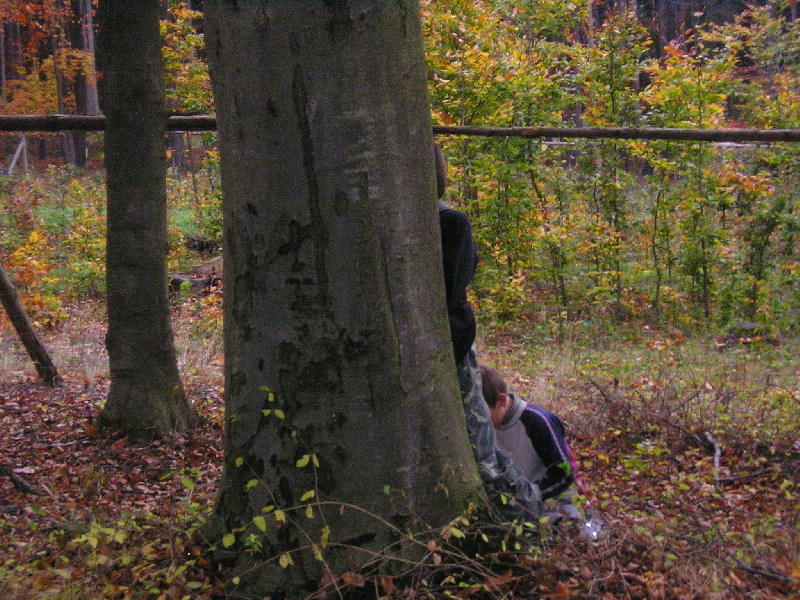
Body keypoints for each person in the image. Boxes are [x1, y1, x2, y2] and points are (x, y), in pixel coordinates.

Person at [434, 143, 543, 521]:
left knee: (481, 450)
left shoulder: (450, 224)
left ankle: (527, 517)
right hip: (443, 350)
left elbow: (451, 294)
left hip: (449, 349)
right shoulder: (446, 223)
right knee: (479, 449)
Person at [480, 363, 583, 519]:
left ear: (501, 401)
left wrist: (530, 494)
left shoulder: (537, 421)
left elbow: (564, 474)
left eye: (485, 415)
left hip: (555, 500)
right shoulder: (484, 428)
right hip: (517, 504)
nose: (482, 422)